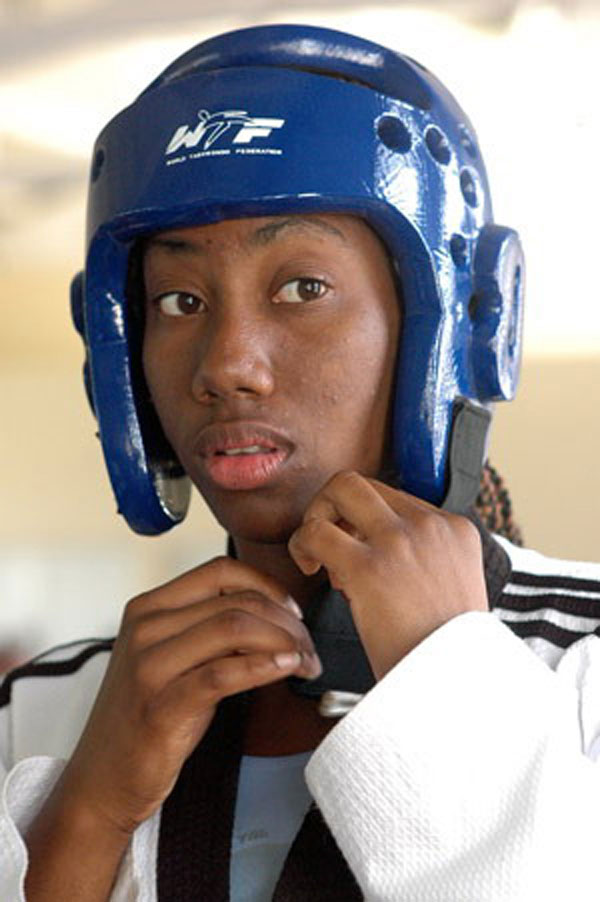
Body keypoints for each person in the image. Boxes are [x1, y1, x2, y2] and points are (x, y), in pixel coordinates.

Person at [2, 22, 600, 902]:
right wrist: (86, 815)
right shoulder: (51, 709)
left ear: (464, 322)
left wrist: (448, 677)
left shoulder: (582, 665)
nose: (225, 366)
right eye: (180, 299)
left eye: (303, 289)